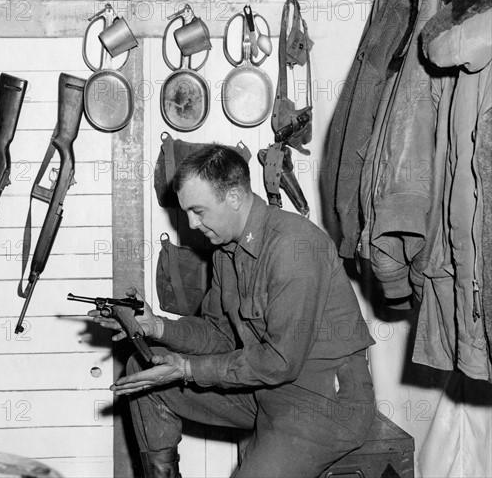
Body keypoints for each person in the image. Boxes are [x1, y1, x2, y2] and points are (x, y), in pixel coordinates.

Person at [92, 145, 376, 478]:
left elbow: (279, 362)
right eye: (187, 213)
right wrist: (158, 328)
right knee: (142, 365)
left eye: (199, 211)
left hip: (322, 401)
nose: (192, 224)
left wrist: (186, 368)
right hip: (264, 391)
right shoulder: (226, 251)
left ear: (235, 198)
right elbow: (219, 335)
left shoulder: (293, 247)